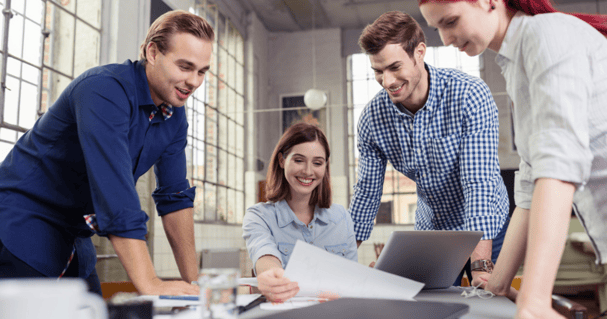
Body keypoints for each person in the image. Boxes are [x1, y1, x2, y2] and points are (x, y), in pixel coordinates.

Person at [0, 10, 214, 296]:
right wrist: (149, 282)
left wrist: (198, 286)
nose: (194, 81)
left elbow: (174, 198)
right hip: (22, 224)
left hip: (76, 238)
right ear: (153, 52)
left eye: (202, 71)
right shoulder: (103, 89)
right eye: (185, 67)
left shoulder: (175, 116)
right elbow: (115, 193)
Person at [419, 0, 607, 317]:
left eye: (450, 22)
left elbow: (557, 168)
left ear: (488, 1)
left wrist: (534, 300)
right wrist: (499, 284)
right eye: (437, 28)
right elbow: (531, 183)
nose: (445, 39)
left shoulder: (546, 34)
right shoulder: (514, 62)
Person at [350, 10, 510, 285]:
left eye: (395, 67)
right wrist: (342, 259)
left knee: (486, 298)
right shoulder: (372, 120)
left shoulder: (469, 95)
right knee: (429, 301)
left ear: (420, 53)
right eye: (378, 71)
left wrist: (480, 266)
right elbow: (366, 193)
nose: (387, 82)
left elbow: (478, 182)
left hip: (487, 224)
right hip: (433, 227)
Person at [243, 123, 358, 303]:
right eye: (298, 160)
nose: (308, 171)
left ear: (325, 166)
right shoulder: (259, 216)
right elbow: (265, 255)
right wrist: (272, 276)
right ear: (282, 161)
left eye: (317, 163)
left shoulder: (341, 217)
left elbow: (352, 279)